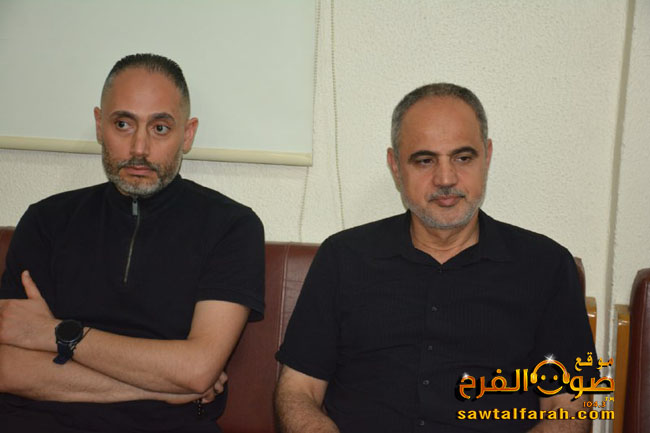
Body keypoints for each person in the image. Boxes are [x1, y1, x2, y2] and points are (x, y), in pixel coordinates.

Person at [275, 83, 599, 432]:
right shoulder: (343, 258)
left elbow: (569, 406)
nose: (445, 178)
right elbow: (298, 391)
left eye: (463, 158)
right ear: (395, 166)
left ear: (487, 157)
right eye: (425, 160)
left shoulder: (546, 266)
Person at [0, 53, 265, 433]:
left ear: (187, 134)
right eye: (123, 124)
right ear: (99, 125)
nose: (139, 148)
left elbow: (197, 369)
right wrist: (162, 387)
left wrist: (54, 333)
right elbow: (8, 368)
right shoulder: (46, 220)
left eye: (160, 128)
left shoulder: (231, 226)